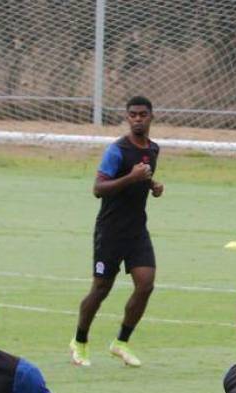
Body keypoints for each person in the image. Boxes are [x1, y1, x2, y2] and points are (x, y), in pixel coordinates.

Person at [70, 96, 163, 368]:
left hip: (137, 231)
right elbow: (98, 188)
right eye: (132, 114)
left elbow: (141, 179)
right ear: (127, 117)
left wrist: (152, 185)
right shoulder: (117, 150)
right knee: (101, 289)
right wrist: (131, 178)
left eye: (142, 114)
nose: (137, 119)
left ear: (151, 117)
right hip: (110, 232)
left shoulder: (154, 149)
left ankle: (121, 342)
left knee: (145, 285)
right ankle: (80, 341)